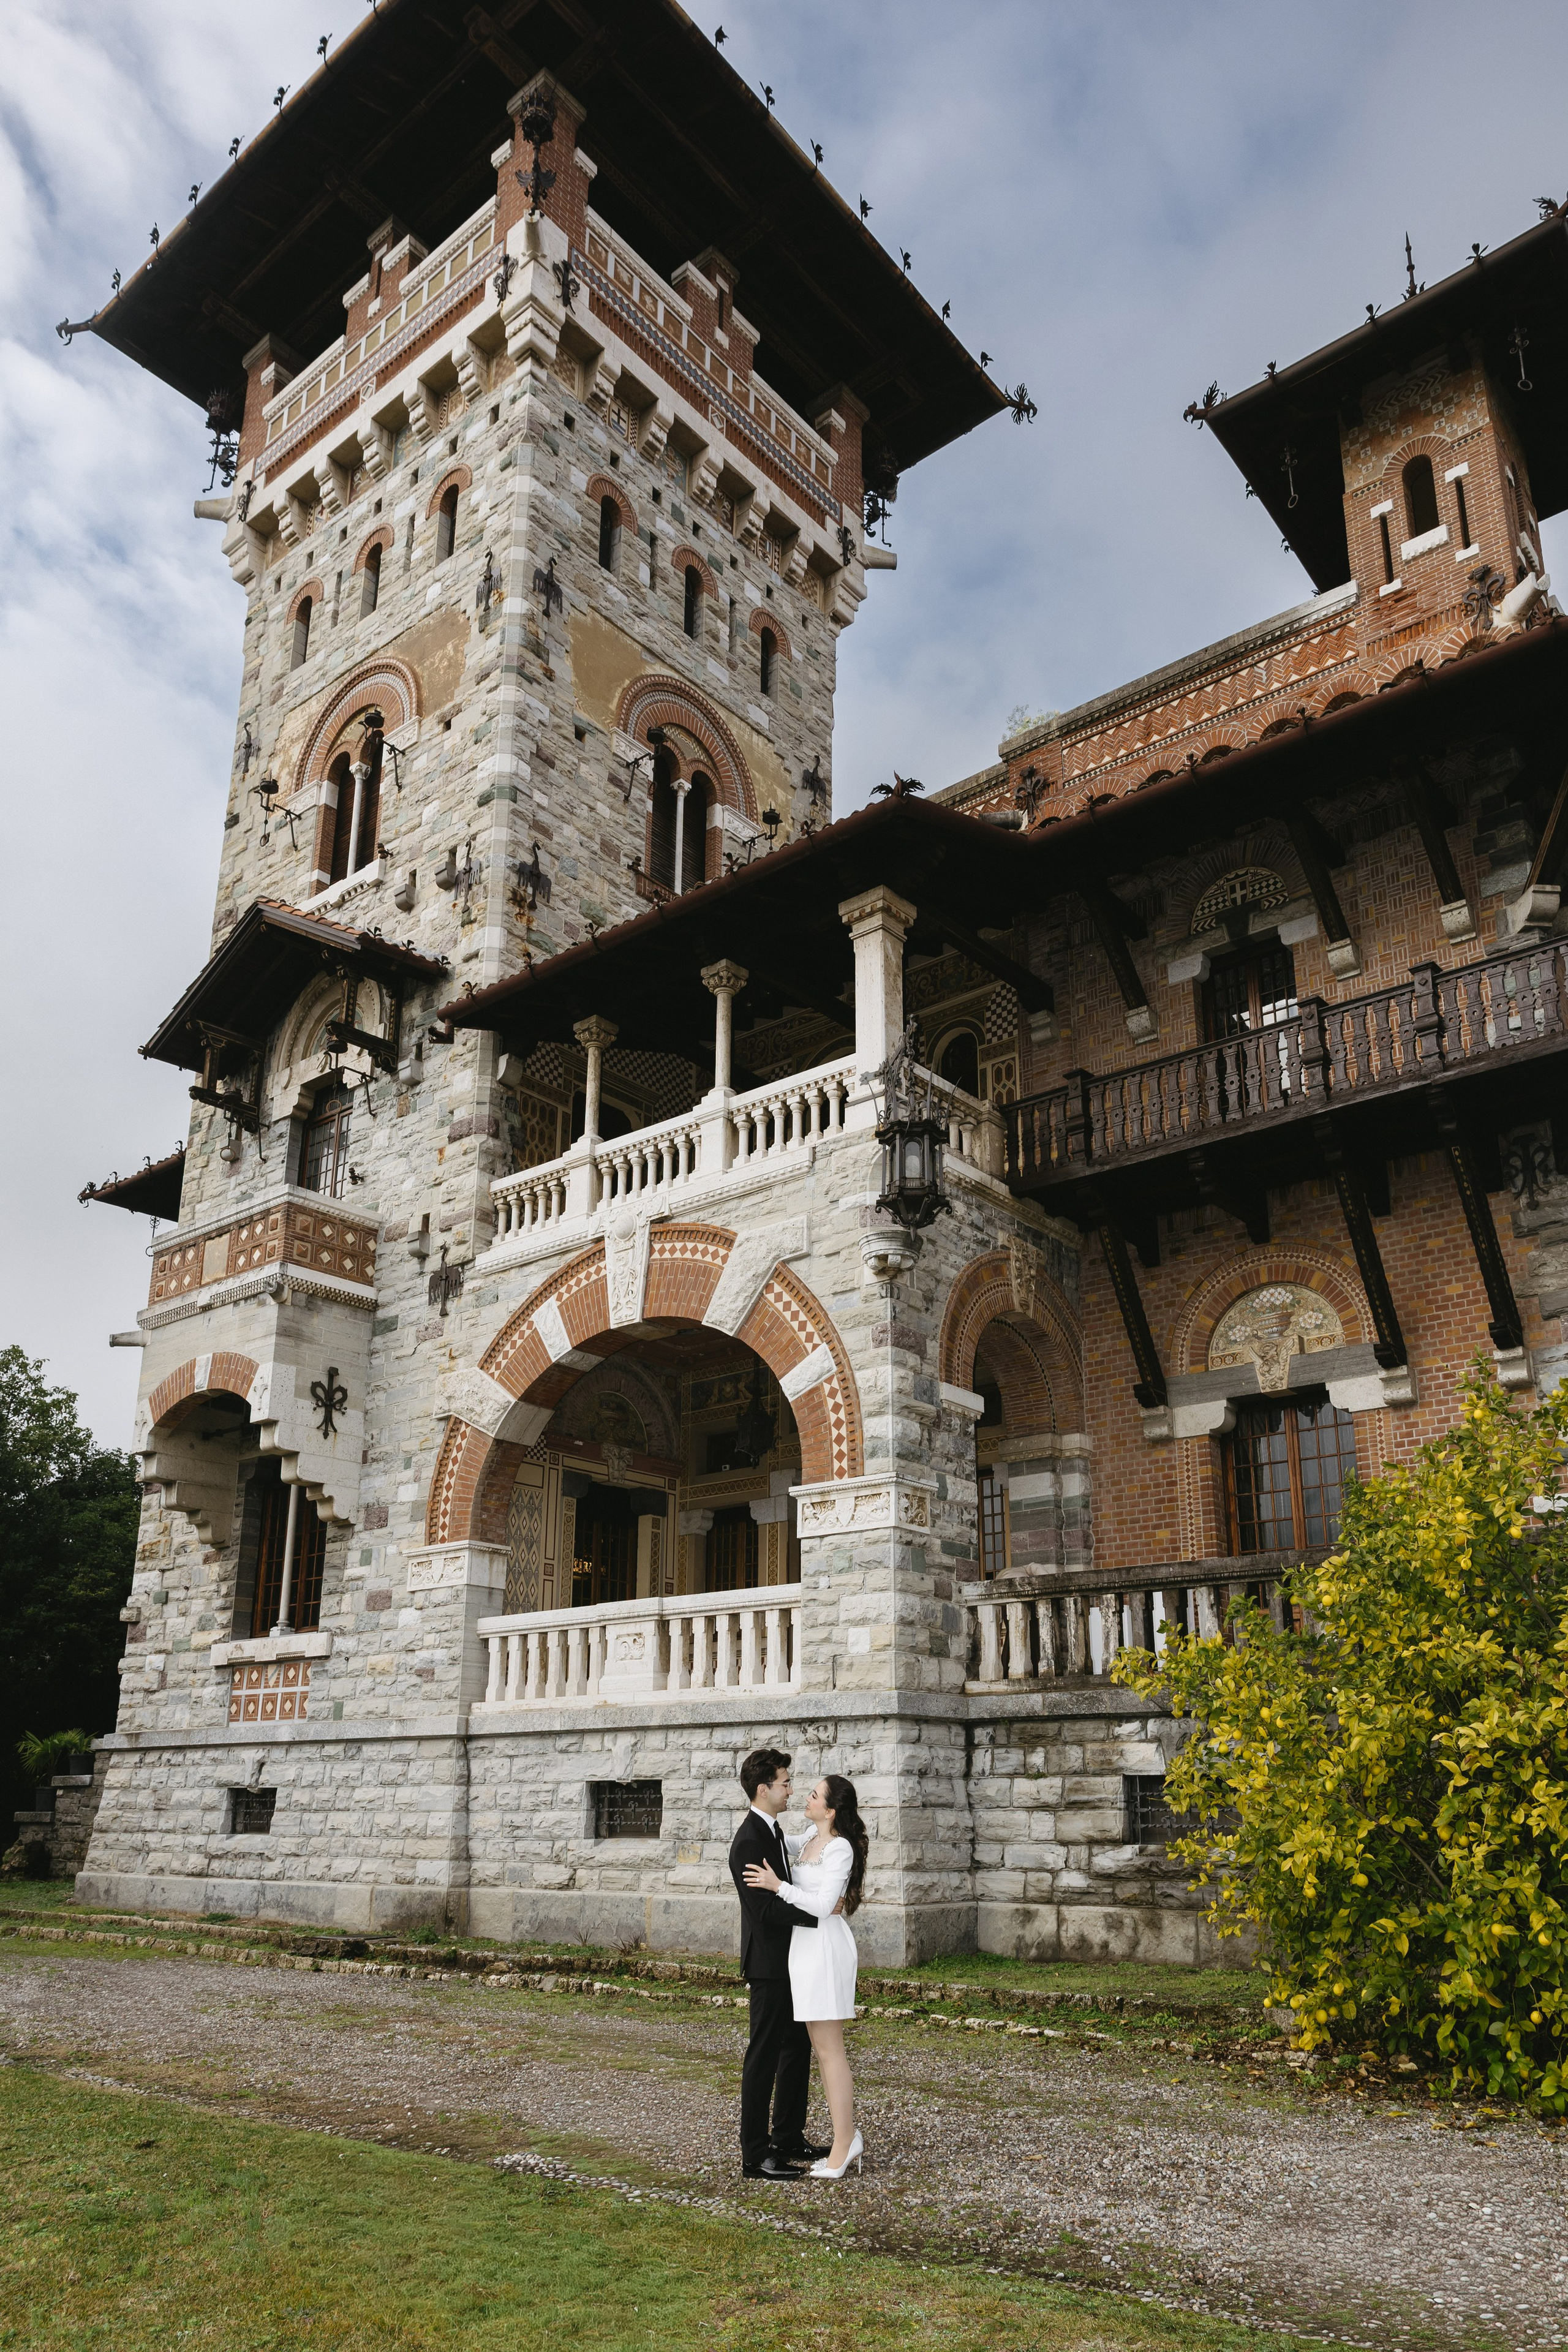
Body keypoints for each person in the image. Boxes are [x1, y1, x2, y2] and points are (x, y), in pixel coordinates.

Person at [744, 1772, 869, 2179]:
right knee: (819, 2047)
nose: (805, 1797)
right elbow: (776, 1842)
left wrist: (778, 1886)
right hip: (804, 1951)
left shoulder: (840, 1848)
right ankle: (844, 2138)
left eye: (815, 1795)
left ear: (830, 1811)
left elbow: (824, 1905)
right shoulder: (809, 1838)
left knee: (831, 2050)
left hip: (825, 1949)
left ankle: (844, 2144)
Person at [727, 1746, 829, 2180]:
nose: (790, 1790)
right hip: (768, 1965)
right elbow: (764, 1911)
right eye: (785, 1783)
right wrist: (818, 1913)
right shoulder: (749, 1840)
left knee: (796, 2048)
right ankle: (755, 2155)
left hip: (790, 1960)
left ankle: (787, 2136)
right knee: (763, 2055)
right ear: (763, 1789)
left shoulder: (772, 1831)